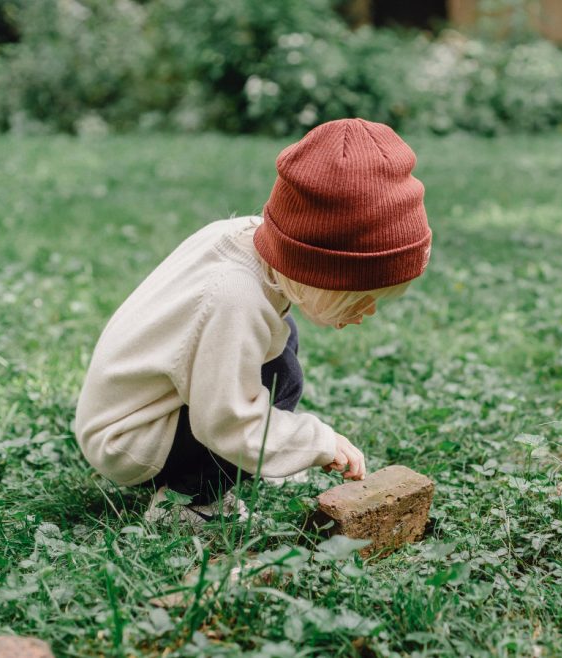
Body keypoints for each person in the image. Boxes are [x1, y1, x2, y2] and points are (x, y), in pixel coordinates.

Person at [73, 118, 431, 525]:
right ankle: (187, 501)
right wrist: (316, 442)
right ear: (320, 269)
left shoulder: (254, 245)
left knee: (281, 356)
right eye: (360, 298)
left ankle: (254, 456)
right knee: (275, 383)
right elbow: (226, 423)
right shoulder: (233, 298)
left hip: (150, 404)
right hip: (128, 436)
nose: (367, 313)